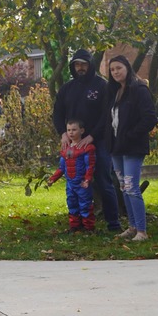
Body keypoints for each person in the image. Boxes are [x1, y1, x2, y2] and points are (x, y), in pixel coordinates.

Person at [52, 49, 122, 234]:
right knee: (74, 184)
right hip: (73, 145)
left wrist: (92, 136)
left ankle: (113, 224)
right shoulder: (67, 88)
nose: (80, 67)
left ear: (90, 65)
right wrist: (63, 134)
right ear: (73, 66)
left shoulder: (102, 86)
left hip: (98, 142)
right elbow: (57, 113)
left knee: (103, 181)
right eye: (77, 64)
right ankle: (79, 224)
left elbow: (108, 115)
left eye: (84, 64)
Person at [102, 55, 157, 241]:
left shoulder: (139, 89)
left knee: (132, 187)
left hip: (132, 147)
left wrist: (130, 135)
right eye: (112, 69)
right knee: (124, 187)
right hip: (116, 148)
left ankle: (142, 231)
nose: (116, 72)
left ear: (127, 67)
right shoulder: (115, 90)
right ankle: (132, 227)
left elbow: (149, 118)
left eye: (119, 68)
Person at [46, 119, 97, 232]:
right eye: (68, 130)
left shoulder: (87, 148)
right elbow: (61, 168)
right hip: (70, 184)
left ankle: (88, 228)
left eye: (74, 130)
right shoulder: (65, 149)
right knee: (72, 203)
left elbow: (90, 166)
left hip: (82, 183)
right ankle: (74, 226)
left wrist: (87, 179)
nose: (71, 133)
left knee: (85, 205)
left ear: (82, 130)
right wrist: (52, 179)